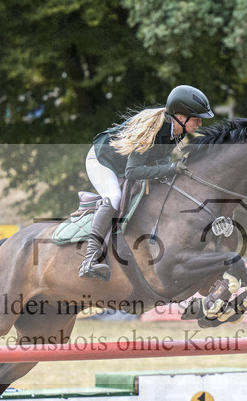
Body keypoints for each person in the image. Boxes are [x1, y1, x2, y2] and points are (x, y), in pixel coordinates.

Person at [79, 85, 214, 280]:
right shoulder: (153, 131)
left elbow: (159, 161)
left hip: (122, 164)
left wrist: (173, 170)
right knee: (114, 197)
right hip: (102, 160)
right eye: (196, 118)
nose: (200, 123)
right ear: (180, 116)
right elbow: (132, 172)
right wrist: (170, 168)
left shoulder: (177, 130)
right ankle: (89, 259)